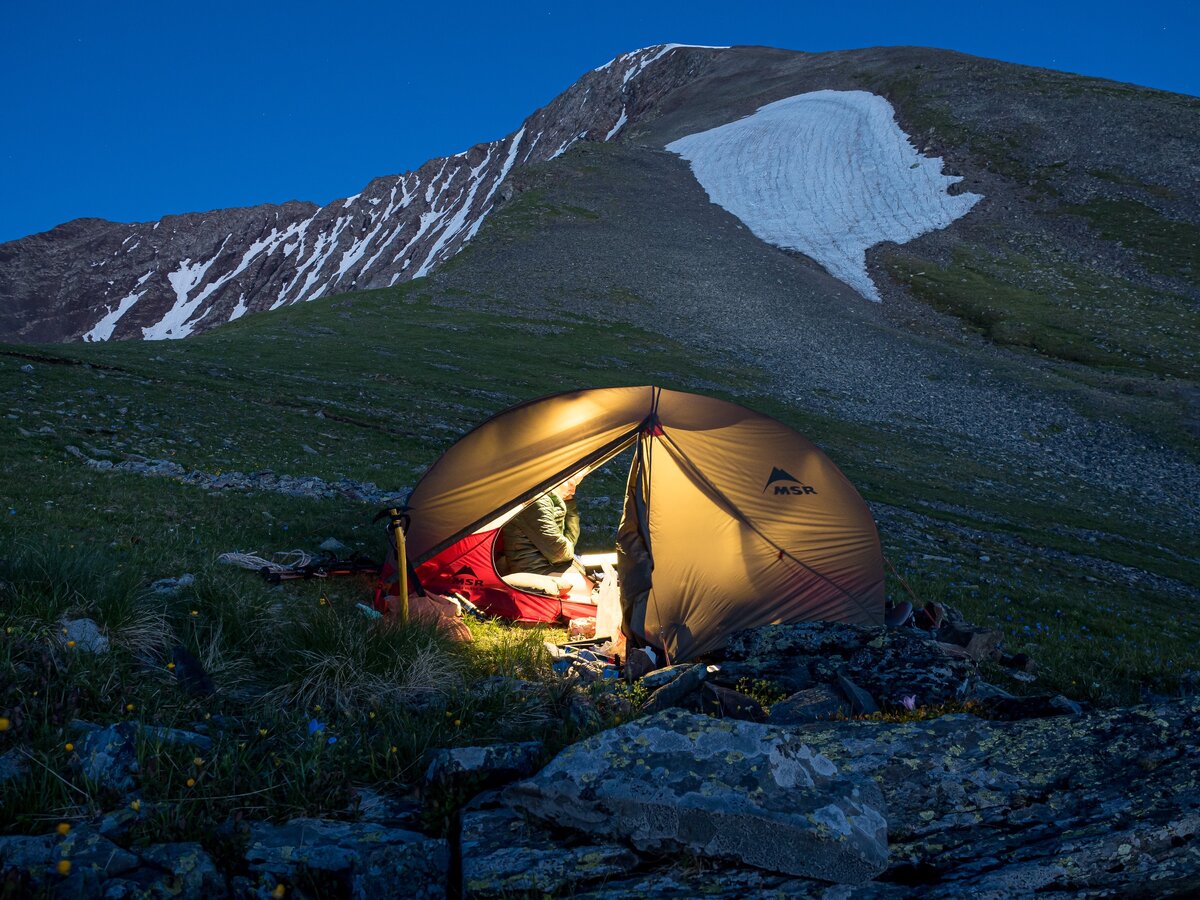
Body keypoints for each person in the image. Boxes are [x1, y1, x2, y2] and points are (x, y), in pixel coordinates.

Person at [502, 476, 587, 588]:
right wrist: (567, 548)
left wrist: (569, 504)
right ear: (554, 478)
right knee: (592, 590)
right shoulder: (535, 502)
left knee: (594, 580)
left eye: (576, 484)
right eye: (570, 483)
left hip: (549, 567)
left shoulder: (550, 500)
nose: (573, 491)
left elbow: (567, 545)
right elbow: (560, 553)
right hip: (534, 571)